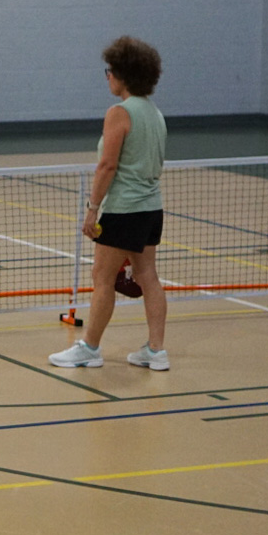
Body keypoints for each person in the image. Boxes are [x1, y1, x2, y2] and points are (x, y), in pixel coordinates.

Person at [49, 36, 170, 371]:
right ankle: (156, 351)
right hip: (151, 209)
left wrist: (92, 209)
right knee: (148, 276)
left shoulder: (119, 113)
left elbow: (107, 166)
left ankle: (89, 347)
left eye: (110, 71)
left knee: (102, 277)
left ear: (123, 76)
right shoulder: (156, 114)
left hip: (124, 209)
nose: (108, 77)